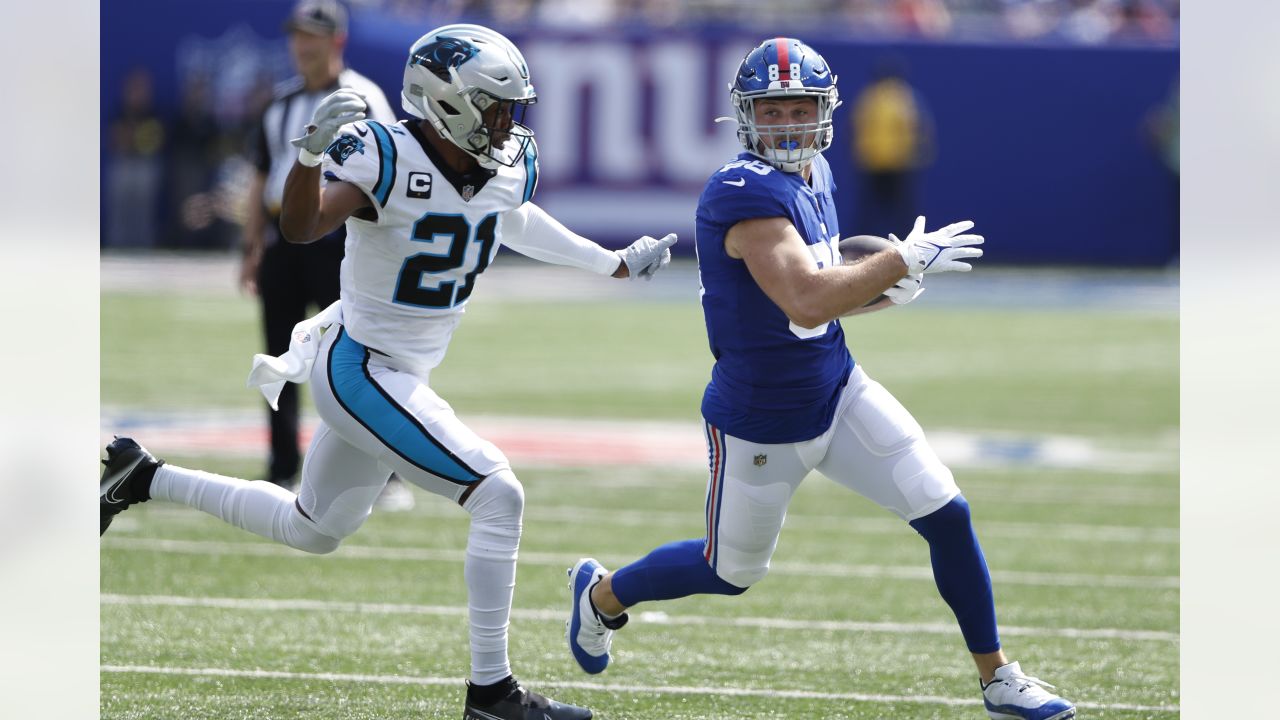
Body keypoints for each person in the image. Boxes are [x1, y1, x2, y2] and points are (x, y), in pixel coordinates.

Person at [101, 23, 676, 720]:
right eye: (495, 108)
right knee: (499, 495)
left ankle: (143, 476)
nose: (507, 123)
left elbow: (513, 218)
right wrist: (309, 157)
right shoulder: (385, 155)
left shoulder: (503, 164)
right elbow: (303, 226)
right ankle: (492, 696)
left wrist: (607, 261)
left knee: (313, 528)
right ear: (449, 103)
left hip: (394, 372)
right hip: (361, 367)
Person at [565, 38, 1077, 720]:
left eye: (798, 108)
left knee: (946, 513)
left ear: (824, 110)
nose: (786, 124)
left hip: (836, 389)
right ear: (747, 117)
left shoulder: (818, 174)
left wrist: (890, 288)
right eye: (771, 111)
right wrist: (899, 260)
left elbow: (825, 296)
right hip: (760, 420)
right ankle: (603, 595)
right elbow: (804, 297)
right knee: (730, 572)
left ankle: (998, 678)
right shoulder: (742, 193)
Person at [240, 0, 414, 510]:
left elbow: (391, 172)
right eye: (297, 35)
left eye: (312, 36)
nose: (302, 45)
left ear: (336, 39)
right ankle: (281, 466)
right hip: (283, 235)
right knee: (277, 353)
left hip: (340, 238)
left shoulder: (363, 97)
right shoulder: (281, 101)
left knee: (353, 355)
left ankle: (382, 471)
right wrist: (251, 244)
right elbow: (260, 175)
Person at [851, 54, 934, 238]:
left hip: (876, 162)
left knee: (873, 211)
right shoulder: (903, 96)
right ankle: (910, 244)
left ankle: (863, 245)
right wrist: (922, 152)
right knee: (899, 211)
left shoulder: (869, 97)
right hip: (897, 162)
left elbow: (855, 128)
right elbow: (919, 125)